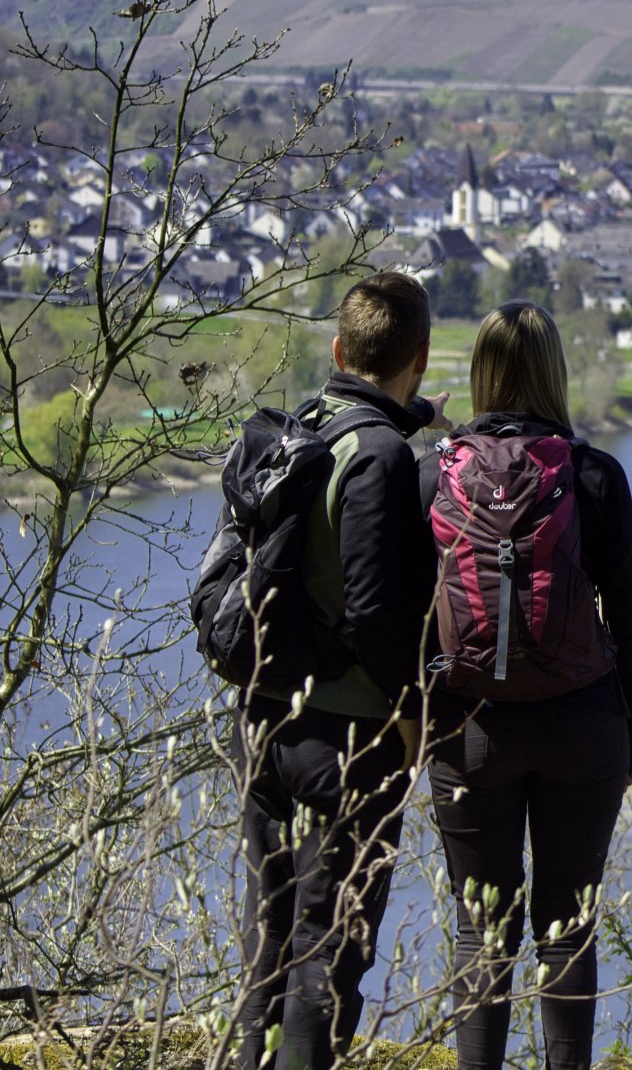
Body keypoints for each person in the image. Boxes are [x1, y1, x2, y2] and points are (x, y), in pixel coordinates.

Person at [420, 300, 632, 1070]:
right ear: (555, 372)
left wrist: (415, 723)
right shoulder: (594, 475)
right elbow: (630, 618)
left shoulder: (433, 477)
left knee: (480, 926)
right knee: (568, 922)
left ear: (481, 374)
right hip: (583, 724)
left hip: (469, 727)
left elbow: (402, 618)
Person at [233, 271, 446, 1070]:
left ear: (337, 349)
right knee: (331, 949)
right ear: (419, 357)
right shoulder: (383, 457)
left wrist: (421, 414)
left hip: (262, 720)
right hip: (348, 737)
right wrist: (412, 710)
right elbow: (371, 610)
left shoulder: (297, 427)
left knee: (270, 934)